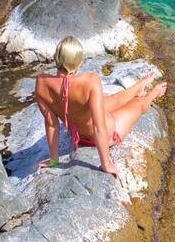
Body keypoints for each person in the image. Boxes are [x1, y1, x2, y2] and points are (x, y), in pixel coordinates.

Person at [33, 37, 167, 177]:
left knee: (113, 100)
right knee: (138, 104)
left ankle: (139, 87)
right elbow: (99, 127)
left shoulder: (41, 82)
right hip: (108, 132)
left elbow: (51, 124)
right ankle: (154, 93)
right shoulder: (90, 80)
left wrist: (54, 160)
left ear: (57, 57)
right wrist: (106, 164)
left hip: (79, 135)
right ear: (79, 61)